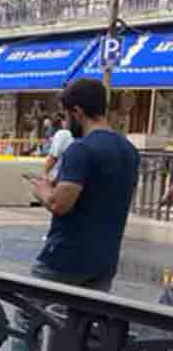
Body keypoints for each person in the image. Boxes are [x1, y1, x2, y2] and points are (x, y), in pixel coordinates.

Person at [24, 78, 140, 298]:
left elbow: (59, 204)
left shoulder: (81, 150)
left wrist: (42, 190)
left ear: (77, 112)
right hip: (105, 260)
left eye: (65, 116)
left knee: (29, 313)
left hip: (66, 257)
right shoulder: (129, 151)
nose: (65, 124)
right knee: (85, 317)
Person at [43, 114, 74, 183]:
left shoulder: (62, 133)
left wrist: (45, 173)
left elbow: (53, 157)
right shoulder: (65, 133)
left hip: (60, 176)